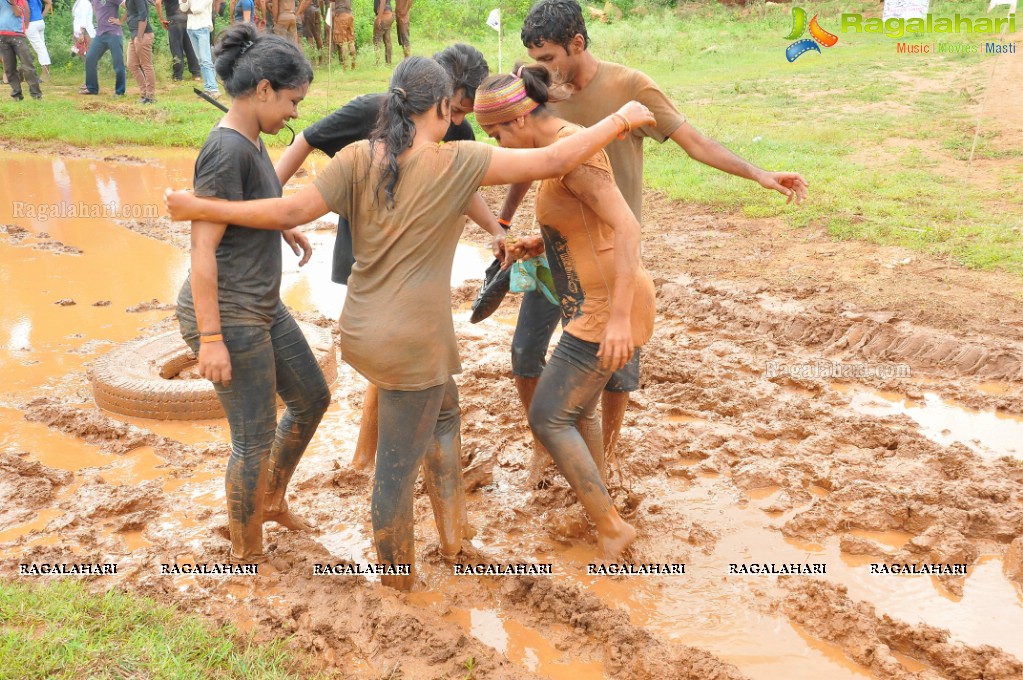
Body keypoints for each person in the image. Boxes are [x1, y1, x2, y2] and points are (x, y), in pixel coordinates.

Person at [165, 56, 655, 587]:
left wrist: (201, 207)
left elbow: (286, 212)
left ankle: (454, 545)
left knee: (445, 419)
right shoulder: (459, 161)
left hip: (363, 333)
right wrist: (621, 118)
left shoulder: (356, 157)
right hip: (412, 345)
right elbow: (558, 155)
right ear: (443, 108)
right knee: (395, 473)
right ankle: (398, 582)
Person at [503, 0, 809, 485]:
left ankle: (604, 455)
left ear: (577, 44)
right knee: (525, 351)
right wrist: (503, 221)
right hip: (557, 247)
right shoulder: (544, 94)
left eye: (546, 59)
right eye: (534, 59)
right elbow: (529, 157)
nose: (538, 71)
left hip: (614, 251)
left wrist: (759, 174)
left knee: (616, 364)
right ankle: (546, 448)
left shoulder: (631, 88)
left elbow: (695, 142)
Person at [275, 42, 494, 472]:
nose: (458, 122)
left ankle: (388, 455)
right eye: (456, 109)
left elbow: (464, 186)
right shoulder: (371, 111)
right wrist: (276, 203)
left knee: (408, 352)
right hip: (369, 251)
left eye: (465, 113)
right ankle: (370, 457)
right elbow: (307, 138)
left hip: (419, 259)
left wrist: (497, 231)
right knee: (393, 353)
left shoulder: (457, 131)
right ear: (438, 96)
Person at [476, 64, 655, 557]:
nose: (498, 143)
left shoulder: (573, 154)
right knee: (577, 412)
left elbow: (626, 228)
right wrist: (542, 241)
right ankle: (599, 507)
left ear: (517, 121)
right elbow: (586, 221)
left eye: (496, 134)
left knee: (548, 416)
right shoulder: (554, 150)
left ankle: (611, 526)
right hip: (589, 298)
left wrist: (618, 318)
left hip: (605, 304)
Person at [170, 23, 328, 566]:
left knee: (312, 397)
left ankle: (270, 499)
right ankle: (245, 553)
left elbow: (248, 205)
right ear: (263, 89)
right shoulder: (224, 150)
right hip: (230, 314)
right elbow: (202, 250)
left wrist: (281, 226)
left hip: (260, 304)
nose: (294, 113)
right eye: (291, 100)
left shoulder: (252, 139)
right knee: (253, 438)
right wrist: (210, 339)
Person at [82, 0, 126, 96]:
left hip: (114, 34)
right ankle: (92, 88)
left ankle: (120, 91)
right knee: (90, 58)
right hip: (100, 35)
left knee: (118, 64)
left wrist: (121, 21)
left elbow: (129, 6)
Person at [0, 0, 42, 100]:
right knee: (9, 68)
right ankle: (16, 94)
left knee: (28, 65)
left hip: (17, 35)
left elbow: (18, 13)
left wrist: (13, 3)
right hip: (2, 36)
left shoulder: (19, 0)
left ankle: (36, 94)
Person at [180, 0, 219, 98]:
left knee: (205, 59)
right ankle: (207, 88)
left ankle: (214, 89)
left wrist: (187, 10)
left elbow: (198, 9)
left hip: (202, 27)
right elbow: (183, 9)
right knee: (200, 60)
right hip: (191, 28)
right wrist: (185, 3)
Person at [156, 0, 200, 81]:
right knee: (190, 48)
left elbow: (158, 2)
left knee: (176, 49)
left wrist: (161, 19)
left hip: (174, 21)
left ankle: (178, 76)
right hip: (186, 19)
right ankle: (196, 74)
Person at [125, 0, 155, 103]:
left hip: (142, 35)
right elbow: (128, 11)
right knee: (131, 64)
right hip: (134, 35)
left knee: (146, 65)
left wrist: (139, 36)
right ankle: (144, 92)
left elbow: (143, 16)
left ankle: (150, 96)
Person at [23, 0, 48, 80]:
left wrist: (26, 25)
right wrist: (41, 16)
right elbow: (48, 2)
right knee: (42, 47)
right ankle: (45, 72)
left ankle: (45, 74)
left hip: (31, 23)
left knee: (39, 48)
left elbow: (27, 10)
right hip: (40, 21)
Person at [327, 0, 354, 69]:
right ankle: (353, 64)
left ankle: (345, 66)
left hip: (341, 16)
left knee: (343, 42)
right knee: (351, 41)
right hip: (350, 15)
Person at [371, 0, 391, 65]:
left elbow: (383, 2)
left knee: (376, 39)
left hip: (383, 15)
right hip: (389, 15)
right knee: (387, 40)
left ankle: (377, 62)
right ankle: (388, 62)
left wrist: (379, 18)